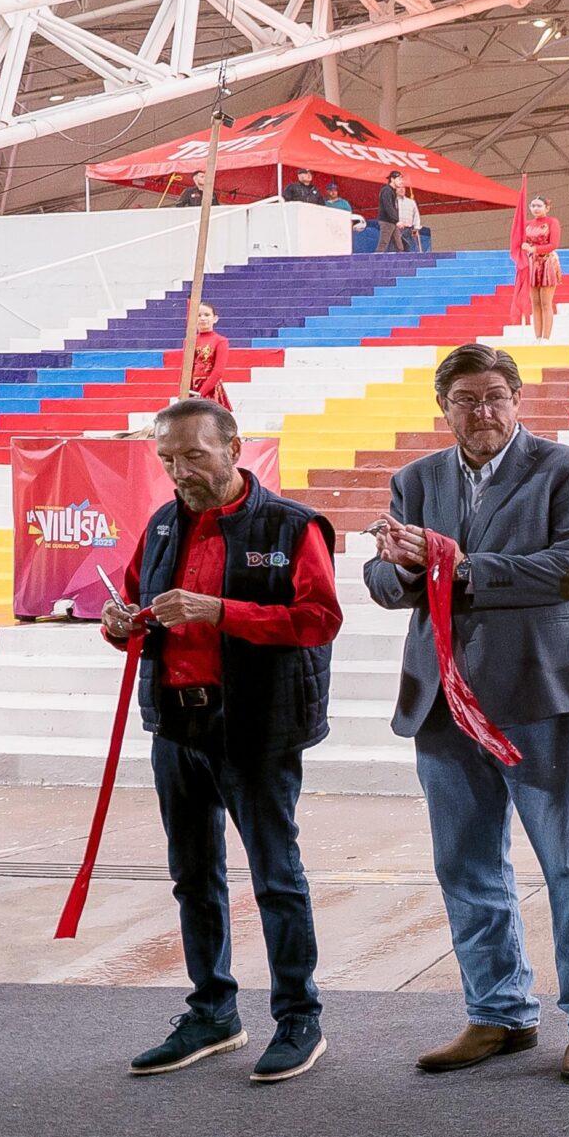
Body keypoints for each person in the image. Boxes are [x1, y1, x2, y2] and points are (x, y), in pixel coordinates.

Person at [364, 343, 569, 1083]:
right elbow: (382, 581)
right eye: (465, 400)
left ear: (517, 401)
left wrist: (458, 567)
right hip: (445, 700)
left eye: (494, 397)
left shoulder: (568, 470)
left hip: (544, 692)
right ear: (443, 408)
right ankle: (498, 1011)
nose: (481, 411)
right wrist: (402, 567)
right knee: (465, 864)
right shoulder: (416, 480)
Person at [104, 397, 340, 1084]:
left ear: (234, 449)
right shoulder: (161, 526)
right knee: (193, 878)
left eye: (193, 455)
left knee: (276, 877)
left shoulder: (292, 525)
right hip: (176, 725)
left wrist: (220, 611)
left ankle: (299, 1017)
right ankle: (212, 1012)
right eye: (167, 459)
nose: (179, 471)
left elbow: (320, 619)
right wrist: (120, 623)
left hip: (257, 727)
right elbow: (134, 606)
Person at [515, 194, 563, 340]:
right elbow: (519, 241)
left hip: (547, 262)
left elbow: (553, 244)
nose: (536, 208)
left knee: (545, 303)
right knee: (535, 303)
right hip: (532, 264)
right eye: (533, 206)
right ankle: (537, 337)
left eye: (539, 206)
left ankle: (546, 338)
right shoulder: (527, 224)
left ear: (547, 208)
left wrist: (534, 249)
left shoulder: (552, 222)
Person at [180, 301, 230, 407]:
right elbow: (186, 368)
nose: (202, 318)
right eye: (199, 315)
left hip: (211, 389)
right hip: (192, 388)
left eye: (207, 315)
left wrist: (201, 394)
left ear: (215, 318)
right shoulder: (189, 341)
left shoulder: (220, 341)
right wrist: (183, 391)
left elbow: (218, 371)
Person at [376, 170, 409, 252]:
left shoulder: (392, 191)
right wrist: (396, 220)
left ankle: (401, 258)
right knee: (383, 244)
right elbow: (388, 207)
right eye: (399, 179)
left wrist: (396, 220)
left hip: (392, 221)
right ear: (392, 179)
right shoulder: (387, 190)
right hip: (387, 221)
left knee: (399, 245)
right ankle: (376, 259)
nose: (401, 181)